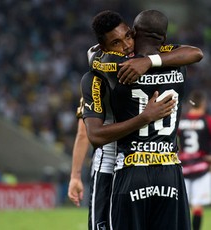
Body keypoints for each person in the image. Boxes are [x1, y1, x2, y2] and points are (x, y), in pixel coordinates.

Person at [70, 10, 203, 230]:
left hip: (130, 166)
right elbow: (85, 131)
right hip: (120, 163)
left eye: (128, 36)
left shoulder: (105, 71)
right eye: (116, 42)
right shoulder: (104, 73)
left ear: (135, 32)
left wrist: (147, 61)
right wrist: (75, 175)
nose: (126, 45)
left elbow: (195, 53)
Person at [178, 90, 211, 230]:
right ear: (203, 103)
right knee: (197, 205)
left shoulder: (181, 121)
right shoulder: (207, 120)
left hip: (183, 166)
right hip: (201, 167)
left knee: (182, 204)